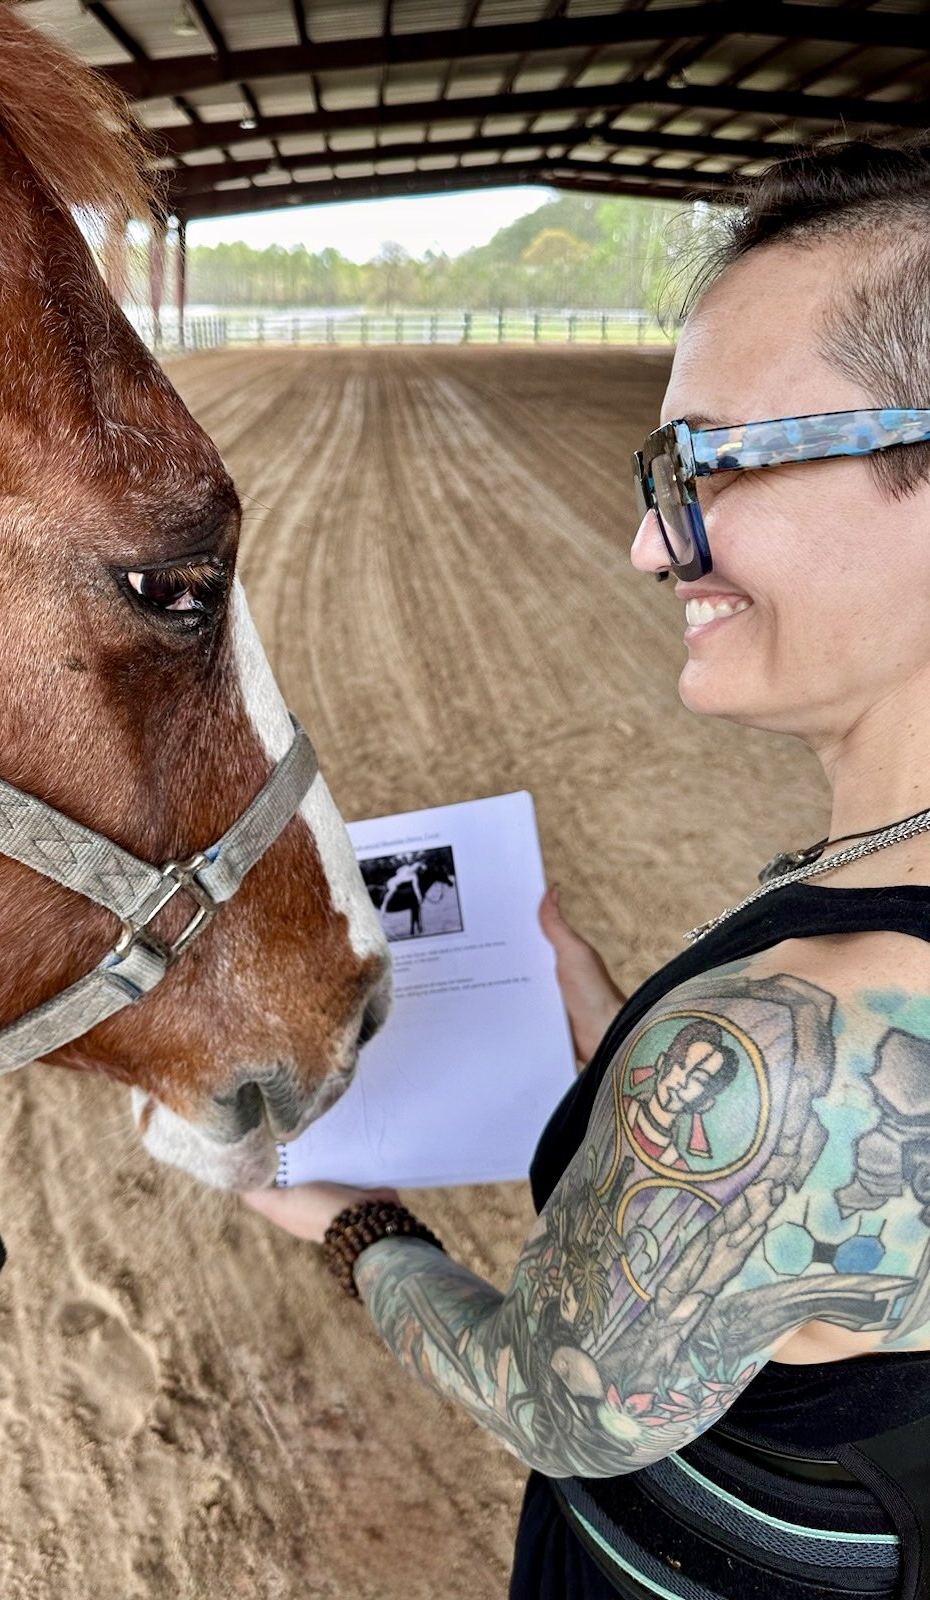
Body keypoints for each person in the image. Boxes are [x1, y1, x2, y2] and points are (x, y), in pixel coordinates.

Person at [245, 137, 930, 1599]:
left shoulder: (787, 1053)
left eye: (708, 465)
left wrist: (343, 1219)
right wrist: (626, 1033)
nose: (645, 545)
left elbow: (559, 1401)